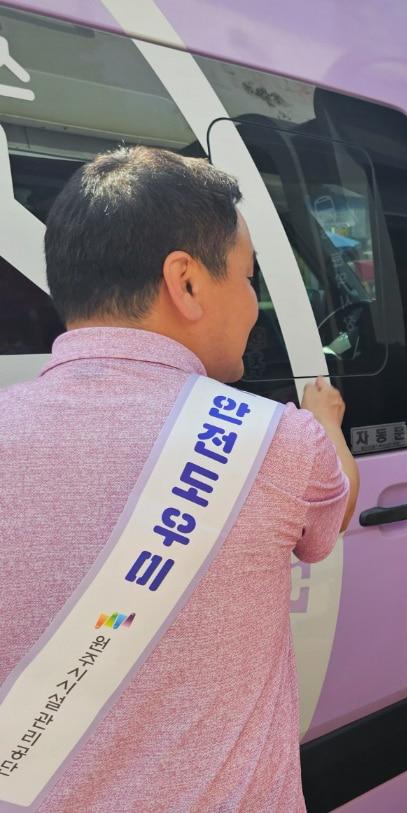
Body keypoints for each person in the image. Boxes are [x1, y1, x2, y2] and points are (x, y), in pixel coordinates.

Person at [0, 146, 359, 812]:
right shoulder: (279, 440)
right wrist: (327, 420)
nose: (254, 304)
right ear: (187, 283)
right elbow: (331, 509)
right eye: (247, 278)